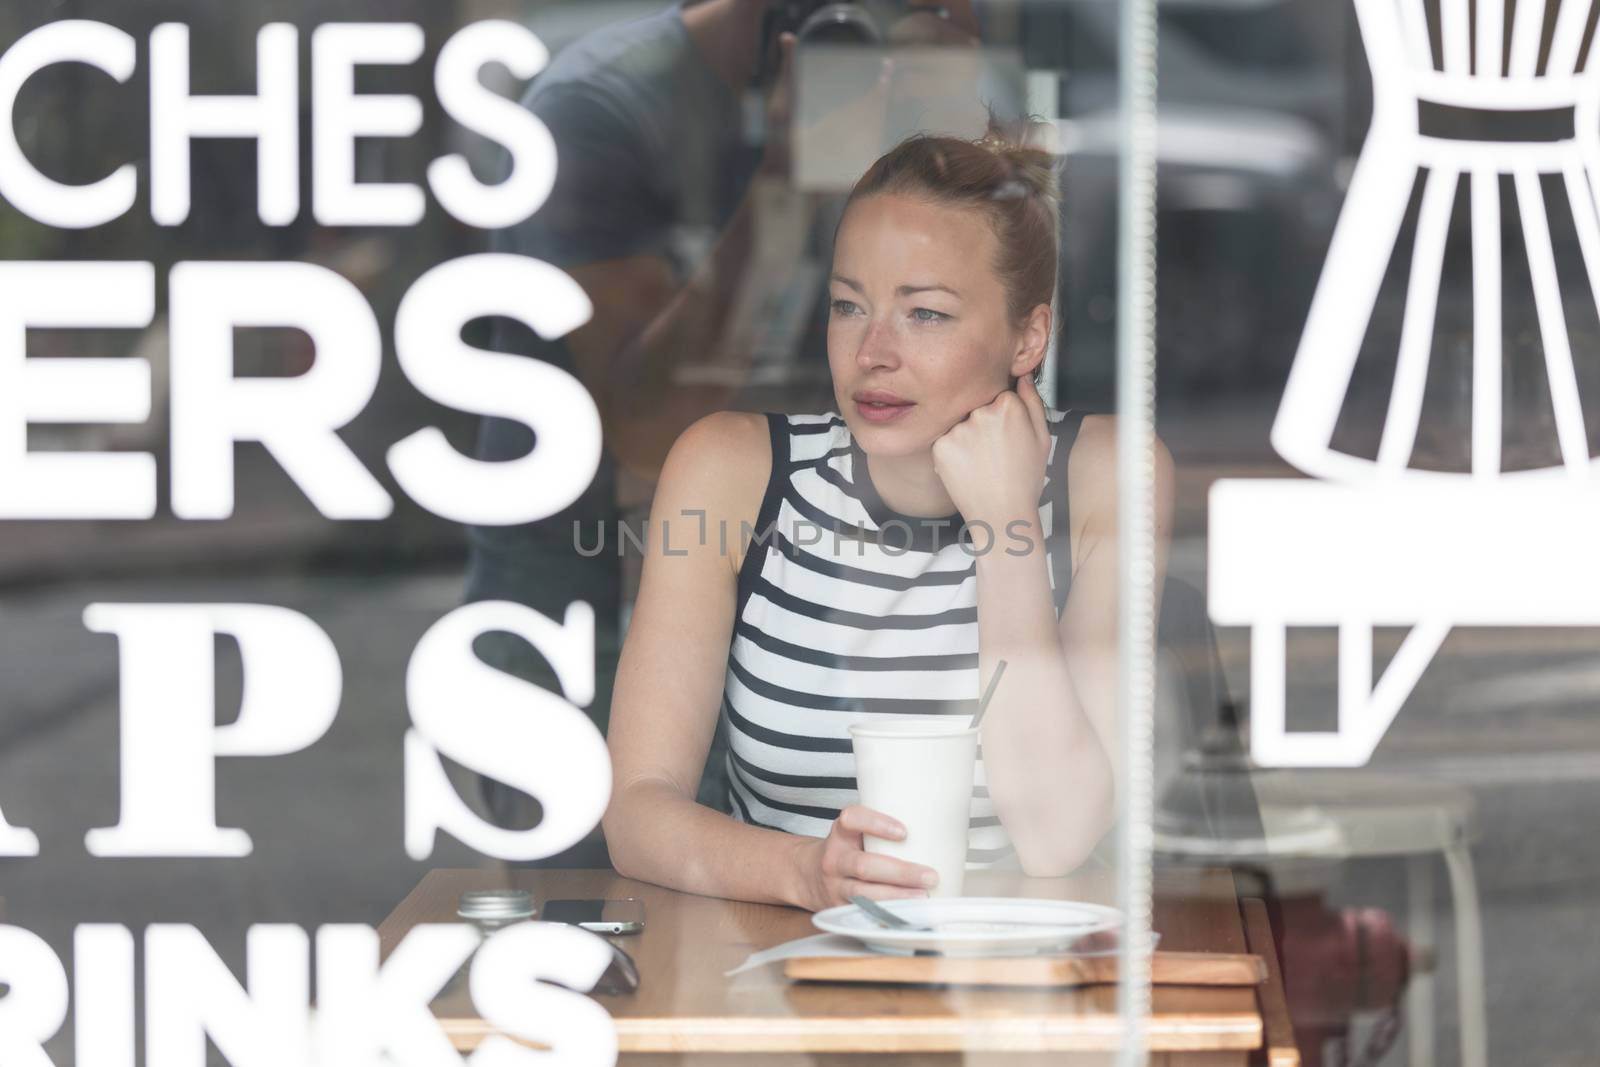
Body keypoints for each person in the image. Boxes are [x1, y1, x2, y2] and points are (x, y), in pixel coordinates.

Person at [464, 0, 991, 863]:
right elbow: (646, 427)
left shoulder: (899, 96)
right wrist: (789, 169)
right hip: (587, 605)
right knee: (608, 938)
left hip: (803, 590)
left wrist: (953, 111)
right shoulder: (602, 110)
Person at [603, 129, 1176, 909]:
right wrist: (805, 872)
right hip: (776, 976)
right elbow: (636, 811)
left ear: (1027, 335)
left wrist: (1006, 525)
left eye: (927, 314)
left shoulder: (1108, 474)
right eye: (848, 306)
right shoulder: (732, 473)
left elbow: (1056, 837)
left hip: (1014, 992)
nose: (873, 351)